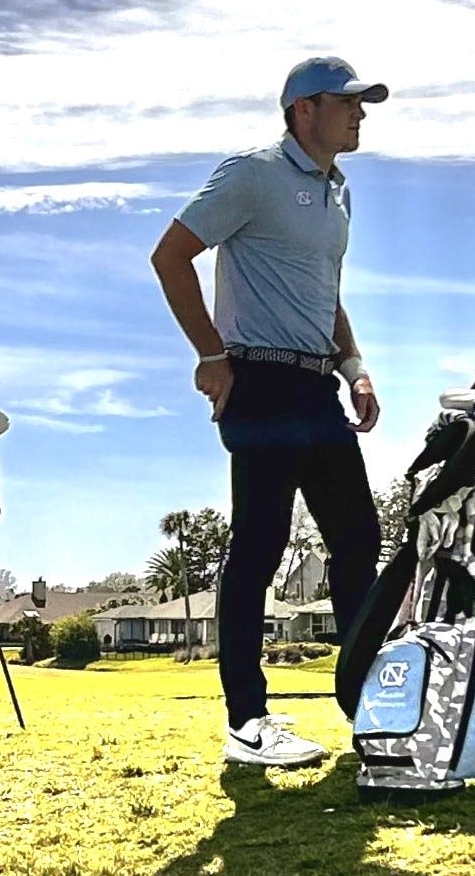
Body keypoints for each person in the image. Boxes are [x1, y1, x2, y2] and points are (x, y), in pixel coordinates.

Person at [151, 56, 387, 768]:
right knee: (258, 549)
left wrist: (354, 367)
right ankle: (247, 721)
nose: (360, 113)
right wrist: (210, 352)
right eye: (346, 102)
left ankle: (369, 704)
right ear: (302, 109)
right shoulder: (251, 173)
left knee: (358, 541)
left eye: (362, 103)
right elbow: (170, 256)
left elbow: (324, 292)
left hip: (316, 387)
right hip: (256, 380)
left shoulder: (337, 190)